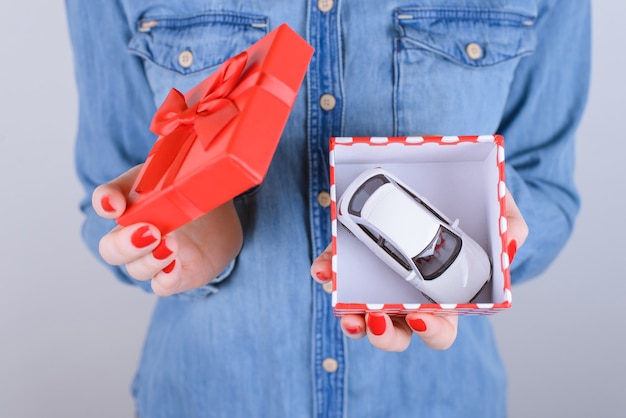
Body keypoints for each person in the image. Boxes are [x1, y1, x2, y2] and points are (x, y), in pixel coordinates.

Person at [66, 1, 590, 417]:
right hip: (207, 396)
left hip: (436, 402)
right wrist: (176, 235)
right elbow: (105, 195)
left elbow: (548, 192)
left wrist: (485, 215)